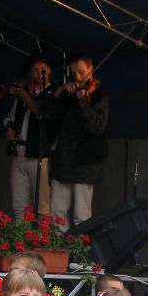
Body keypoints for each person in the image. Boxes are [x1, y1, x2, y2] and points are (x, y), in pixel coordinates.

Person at [44, 53, 109, 227]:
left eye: (81, 72)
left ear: (91, 69)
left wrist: (84, 105)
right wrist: (60, 91)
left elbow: (97, 127)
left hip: (85, 162)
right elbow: (48, 113)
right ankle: (62, 244)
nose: (78, 77)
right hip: (63, 161)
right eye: (74, 73)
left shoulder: (99, 94)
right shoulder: (68, 93)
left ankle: (81, 246)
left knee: (81, 215)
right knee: (57, 211)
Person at [5, 56, 52, 216]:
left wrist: (22, 91)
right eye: (35, 70)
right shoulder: (24, 95)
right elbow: (10, 118)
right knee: (20, 208)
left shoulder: (51, 93)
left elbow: (39, 110)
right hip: (19, 153)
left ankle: (42, 234)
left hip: (39, 155)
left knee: (42, 208)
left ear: (49, 71)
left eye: (42, 70)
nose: (39, 73)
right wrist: (9, 129)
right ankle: (22, 234)